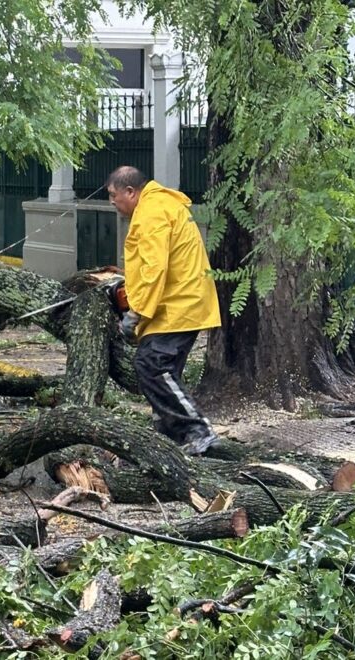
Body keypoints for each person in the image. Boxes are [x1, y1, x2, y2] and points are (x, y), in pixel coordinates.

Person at [106, 165, 221, 455]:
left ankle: (197, 429)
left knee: (151, 365)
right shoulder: (159, 206)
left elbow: (154, 269)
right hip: (180, 302)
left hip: (178, 306)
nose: (112, 202)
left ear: (130, 192)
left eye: (113, 195)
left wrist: (136, 313)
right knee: (164, 371)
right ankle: (169, 435)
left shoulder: (152, 213)